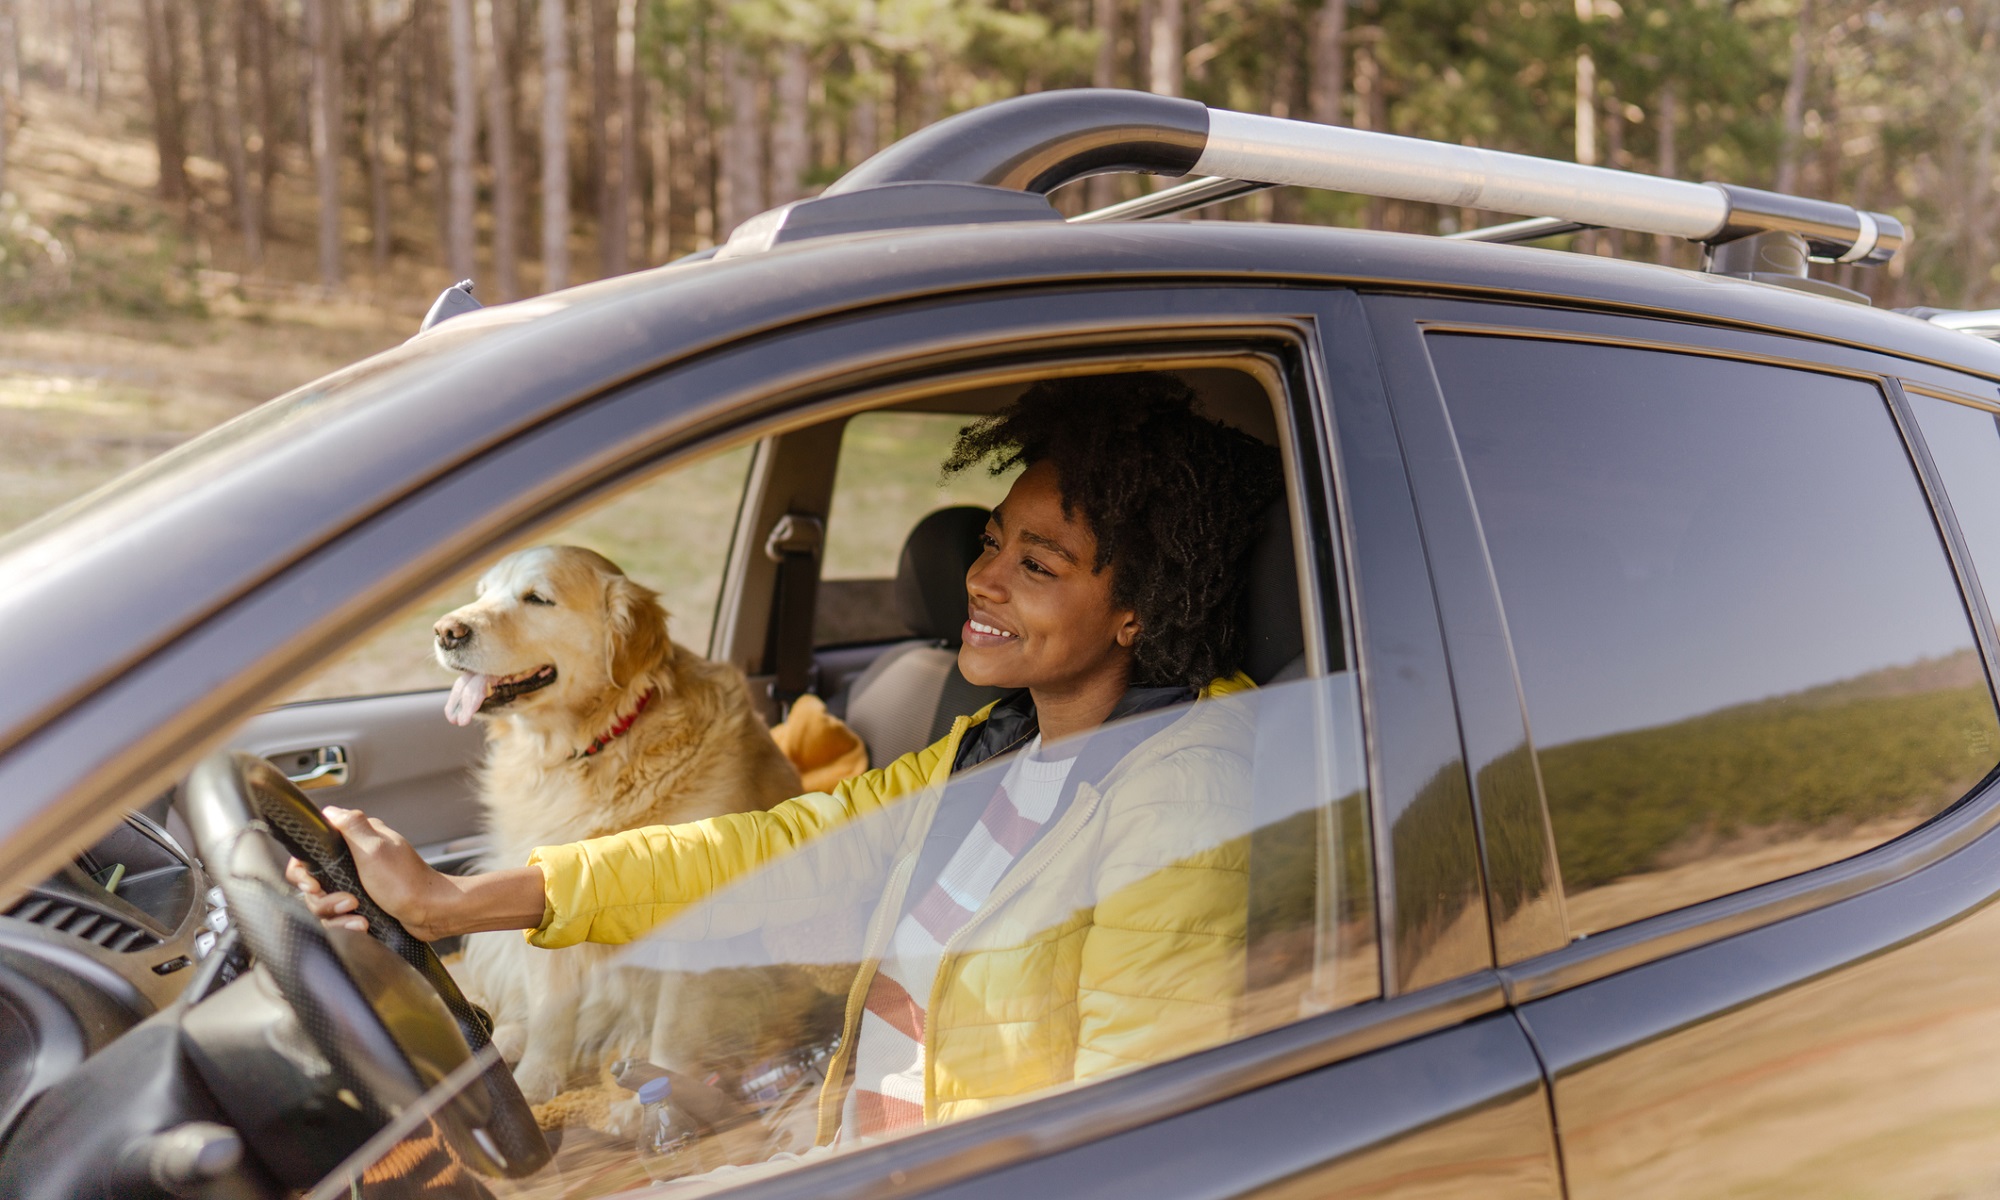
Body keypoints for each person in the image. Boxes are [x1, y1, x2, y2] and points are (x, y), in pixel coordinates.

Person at [291, 371, 1285, 1144]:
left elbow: (1134, 1136)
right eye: (988, 543)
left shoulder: (1180, 803)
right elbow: (762, 849)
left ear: (1139, 611)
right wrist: (456, 903)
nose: (978, 580)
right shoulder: (995, 747)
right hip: (851, 1134)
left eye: (1036, 565)